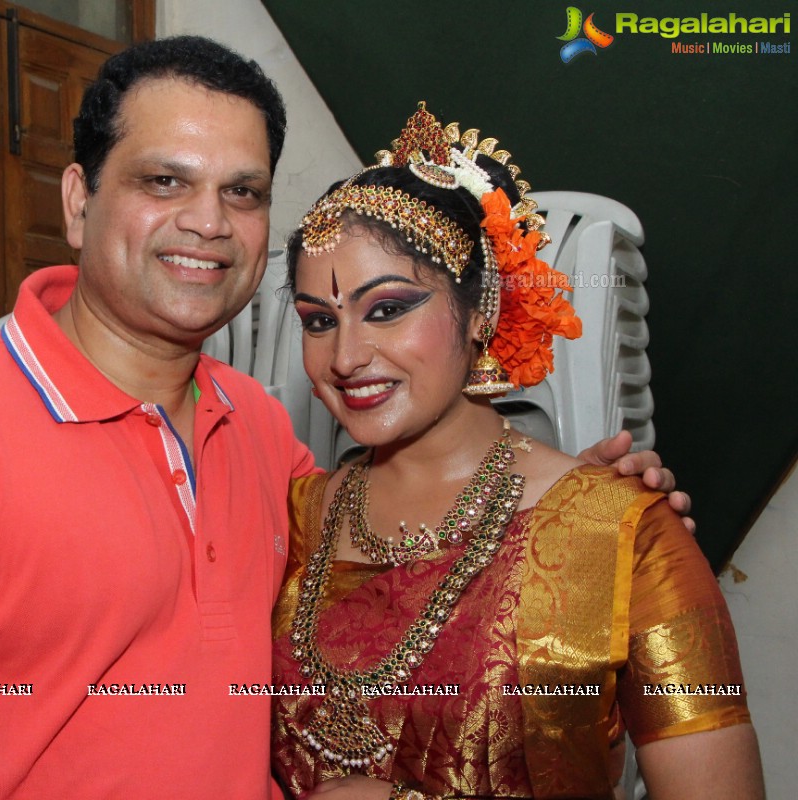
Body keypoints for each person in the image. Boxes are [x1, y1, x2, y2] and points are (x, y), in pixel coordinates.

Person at [0, 37, 690, 799]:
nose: (209, 222)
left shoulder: (254, 428)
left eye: (242, 192)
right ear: (80, 204)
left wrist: (591, 514)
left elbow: (404, 545)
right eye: (165, 182)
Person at [270, 104, 763, 800]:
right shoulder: (289, 518)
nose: (346, 356)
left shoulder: (621, 537)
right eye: (320, 321)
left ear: (480, 314)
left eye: (388, 309)